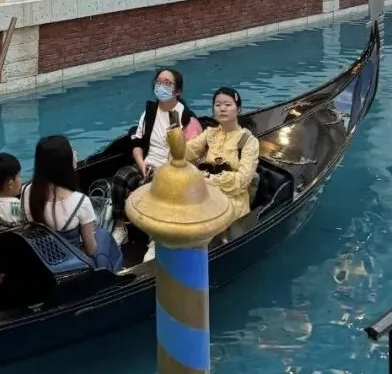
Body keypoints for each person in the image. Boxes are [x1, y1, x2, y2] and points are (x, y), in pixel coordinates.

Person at [110, 69, 202, 243]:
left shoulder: (187, 119)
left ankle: (156, 238)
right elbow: (137, 142)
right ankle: (120, 226)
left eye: (167, 83)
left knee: (158, 189)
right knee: (120, 178)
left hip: (171, 172)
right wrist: (142, 164)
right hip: (147, 166)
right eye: (159, 82)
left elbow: (190, 158)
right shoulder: (150, 112)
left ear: (177, 91)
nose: (161, 86)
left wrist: (164, 171)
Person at [20, 135, 123, 272]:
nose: (75, 153)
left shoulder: (26, 191)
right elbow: (91, 249)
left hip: (42, 260)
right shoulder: (80, 202)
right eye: (71, 151)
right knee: (103, 235)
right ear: (64, 164)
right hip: (71, 266)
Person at [185, 87, 261, 223]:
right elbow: (187, 152)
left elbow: (242, 181)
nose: (222, 109)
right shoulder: (210, 134)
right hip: (205, 193)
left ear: (238, 109)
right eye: (218, 105)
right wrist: (174, 140)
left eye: (228, 104)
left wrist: (211, 179)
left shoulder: (248, 141)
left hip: (232, 201)